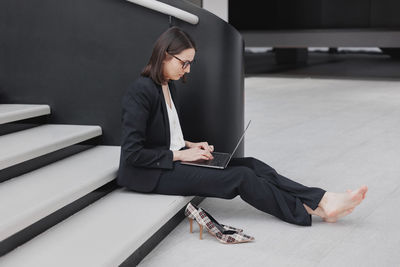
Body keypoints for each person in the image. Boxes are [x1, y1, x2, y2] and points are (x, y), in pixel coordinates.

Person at [117, 26, 368, 226]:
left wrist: (192, 145)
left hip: (173, 160)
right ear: (164, 55)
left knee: (252, 164)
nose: (188, 70)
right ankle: (312, 210)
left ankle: (321, 199)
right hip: (152, 175)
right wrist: (182, 154)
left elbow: (165, 134)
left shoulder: (168, 85)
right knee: (241, 177)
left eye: (190, 63)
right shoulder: (140, 92)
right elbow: (133, 153)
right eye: (184, 63)